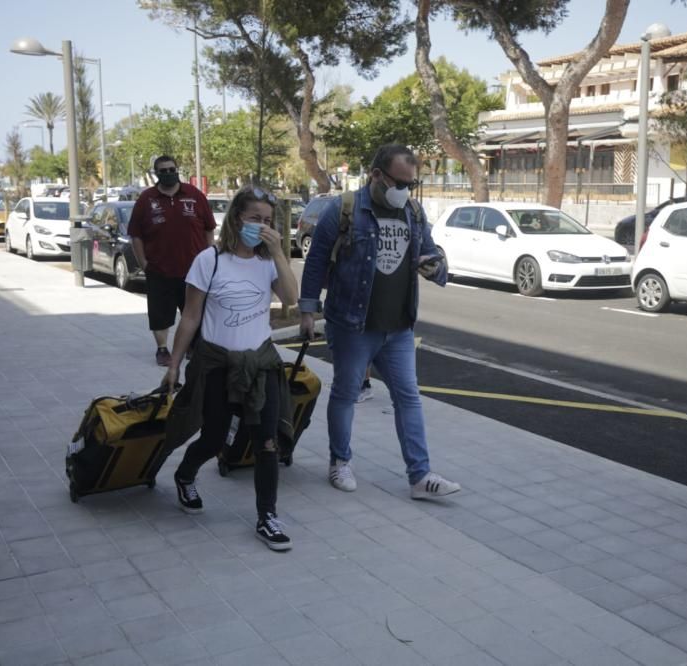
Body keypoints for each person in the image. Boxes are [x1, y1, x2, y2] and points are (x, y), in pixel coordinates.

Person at [298, 144, 460, 500]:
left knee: (409, 397)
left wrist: (435, 266)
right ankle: (339, 461)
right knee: (345, 393)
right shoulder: (343, 210)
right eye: (399, 182)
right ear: (375, 175)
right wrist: (308, 311)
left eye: (411, 184)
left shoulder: (413, 213)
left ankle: (420, 476)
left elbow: (430, 251)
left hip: (399, 327)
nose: (404, 190)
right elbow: (316, 262)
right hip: (353, 324)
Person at [162, 187, 298, 551]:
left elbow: (290, 298)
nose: (262, 226)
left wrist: (280, 252)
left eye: (268, 221)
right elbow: (190, 317)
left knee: (266, 442)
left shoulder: (268, 261)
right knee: (213, 436)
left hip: (260, 365)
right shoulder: (210, 260)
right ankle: (185, 474)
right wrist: (174, 365)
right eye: (255, 218)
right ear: (237, 218)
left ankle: (267, 516)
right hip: (218, 364)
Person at [129, 156, 217, 366]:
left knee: (195, 310)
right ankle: (162, 349)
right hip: (159, 269)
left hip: (194, 270)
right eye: (163, 170)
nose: (168, 173)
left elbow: (209, 229)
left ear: (177, 170)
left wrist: (209, 258)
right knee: (160, 314)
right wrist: (144, 263)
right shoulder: (146, 199)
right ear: (156, 173)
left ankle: (193, 346)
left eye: (171, 169)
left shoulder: (194, 195)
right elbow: (136, 235)